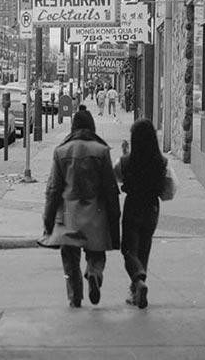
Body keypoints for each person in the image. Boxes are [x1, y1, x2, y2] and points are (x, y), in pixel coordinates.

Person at [40, 105, 120, 308]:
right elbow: (110, 188)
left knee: (69, 257)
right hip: (96, 212)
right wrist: (114, 218)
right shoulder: (101, 151)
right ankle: (94, 273)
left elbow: (53, 189)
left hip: (69, 213)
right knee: (96, 253)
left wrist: (48, 220)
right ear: (92, 128)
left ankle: (75, 297)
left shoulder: (61, 152)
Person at [114, 118, 166, 309]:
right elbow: (169, 188)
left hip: (133, 206)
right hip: (152, 208)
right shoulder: (162, 161)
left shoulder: (126, 161)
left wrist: (125, 156)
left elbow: (117, 175)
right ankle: (136, 288)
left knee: (129, 249)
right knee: (144, 247)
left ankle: (138, 280)